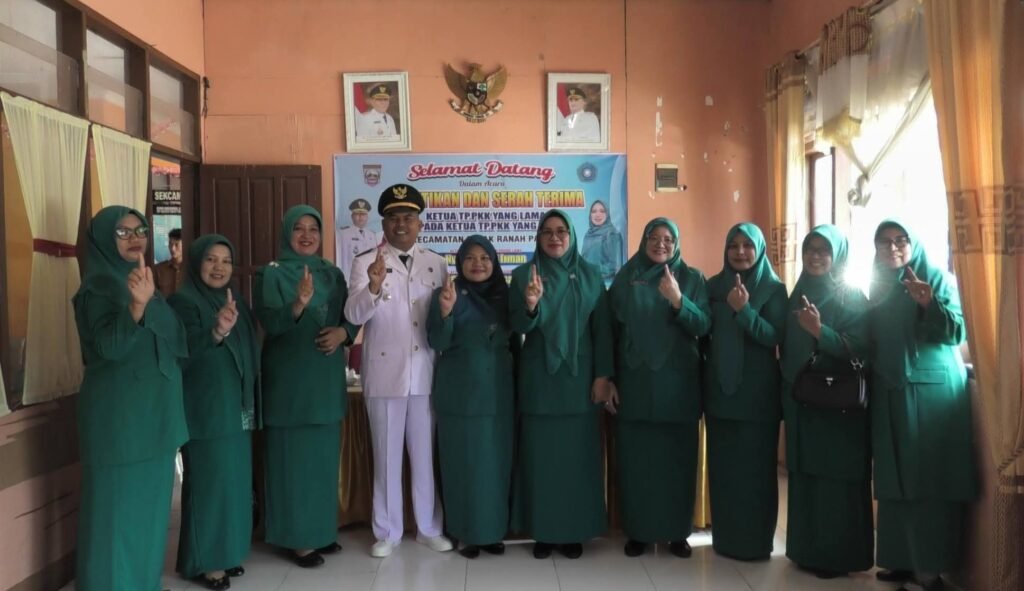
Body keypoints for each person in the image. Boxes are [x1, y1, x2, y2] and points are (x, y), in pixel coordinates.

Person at [72, 206, 188, 591]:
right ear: (103, 239)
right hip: (119, 422)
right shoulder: (96, 290)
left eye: (140, 230)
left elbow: (174, 340)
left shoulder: (144, 282)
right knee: (115, 518)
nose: (134, 238)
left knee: (148, 517)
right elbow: (107, 348)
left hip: (156, 418)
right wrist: (136, 307)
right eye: (122, 232)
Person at [345, 184, 453, 558]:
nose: (401, 224)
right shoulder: (365, 262)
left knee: (424, 457)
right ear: (384, 224)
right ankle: (387, 532)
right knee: (387, 458)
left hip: (425, 373)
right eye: (393, 218)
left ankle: (428, 527)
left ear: (420, 223)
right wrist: (373, 287)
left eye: (408, 217)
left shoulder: (436, 263)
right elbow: (353, 314)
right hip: (384, 374)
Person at [868, 220, 975, 591]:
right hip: (891, 390)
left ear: (913, 243)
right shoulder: (879, 282)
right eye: (884, 242)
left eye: (901, 240)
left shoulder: (938, 278)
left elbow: (957, 332)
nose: (893, 248)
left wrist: (928, 302)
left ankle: (929, 568)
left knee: (928, 478)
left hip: (932, 395)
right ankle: (900, 560)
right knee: (895, 476)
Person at [254, 205, 357, 568]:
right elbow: (270, 322)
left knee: (321, 462)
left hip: (325, 380)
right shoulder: (270, 274)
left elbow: (351, 315)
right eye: (298, 228)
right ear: (287, 233)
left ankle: (319, 531)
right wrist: (297, 304)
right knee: (292, 464)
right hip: (289, 382)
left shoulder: (332, 273)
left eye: (313, 228)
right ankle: (296, 539)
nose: (307, 235)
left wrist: (345, 333)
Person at [509, 209, 614, 560]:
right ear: (538, 238)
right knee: (541, 463)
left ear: (571, 236)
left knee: (577, 462)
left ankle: (573, 531)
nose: (554, 238)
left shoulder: (591, 274)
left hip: (579, 381)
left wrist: (603, 376)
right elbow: (517, 326)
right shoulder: (524, 275)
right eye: (547, 232)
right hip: (540, 381)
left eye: (561, 231)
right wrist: (530, 305)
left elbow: (602, 330)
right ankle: (543, 530)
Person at [605, 218, 710, 558]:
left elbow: (703, 325)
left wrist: (679, 300)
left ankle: (677, 533)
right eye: (654, 237)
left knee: (677, 464)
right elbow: (610, 331)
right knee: (637, 465)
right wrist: (609, 377)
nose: (660, 244)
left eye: (668, 239)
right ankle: (639, 532)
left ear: (676, 244)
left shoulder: (692, 278)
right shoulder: (626, 278)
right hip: (635, 386)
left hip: (677, 388)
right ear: (644, 240)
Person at [780, 225, 873, 579]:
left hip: (838, 406)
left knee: (835, 478)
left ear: (838, 256)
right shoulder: (799, 292)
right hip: (802, 401)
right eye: (810, 249)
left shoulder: (851, 296)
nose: (815, 256)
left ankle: (837, 557)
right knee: (805, 475)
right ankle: (806, 551)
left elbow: (862, 347)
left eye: (824, 250)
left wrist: (821, 332)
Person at [170, 235, 260, 590]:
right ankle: (205, 562)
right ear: (196, 263)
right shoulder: (183, 302)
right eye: (211, 259)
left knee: (232, 484)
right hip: (206, 408)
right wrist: (216, 331)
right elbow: (180, 352)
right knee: (209, 486)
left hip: (235, 407)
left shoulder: (234, 300)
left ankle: (225, 552)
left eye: (226, 260)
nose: (219, 267)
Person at [427, 235, 515, 559]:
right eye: (470, 258)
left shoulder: (506, 296)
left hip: (498, 396)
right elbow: (437, 341)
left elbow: (518, 341)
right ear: (459, 262)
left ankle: (492, 532)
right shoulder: (447, 294)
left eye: (485, 258)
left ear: (494, 262)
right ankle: (465, 533)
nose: (478, 264)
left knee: (494, 467)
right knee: (462, 466)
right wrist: (446, 312)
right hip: (460, 396)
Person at [704, 222, 787, 561]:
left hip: (758, 398)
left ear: (759, 249)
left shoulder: (774, 289)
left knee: (756, 474)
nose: (740, 252)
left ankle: (755, 542)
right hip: (719, 395)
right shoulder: (713, 286)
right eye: (733, 245)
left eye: (747, 245)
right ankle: (725, 540)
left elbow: (774, 336)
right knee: (724, 473)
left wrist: (744, 311)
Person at [336, 198, 381, 281]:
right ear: (352, 216)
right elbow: (339, 257)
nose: (360, 217)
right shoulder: (342, 234)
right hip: (349, 277)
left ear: (367, 217)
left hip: (369, 278)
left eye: (363, 214)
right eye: (357, 214)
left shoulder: (372, 235)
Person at [581, 200, 624, 281]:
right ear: (590, 215)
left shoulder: (612, 234)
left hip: (605, 283)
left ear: (607, 214)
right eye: (594, 211)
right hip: (587, 282)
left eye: (602, 211)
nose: (597, 215)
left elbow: (614, 266)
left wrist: (591, 271)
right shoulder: (588, 235)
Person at [153, 227, 184, 297]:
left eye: (176, 244)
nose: (172, 248)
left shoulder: (191, 268)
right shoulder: (159, 269)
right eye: (170, 244)